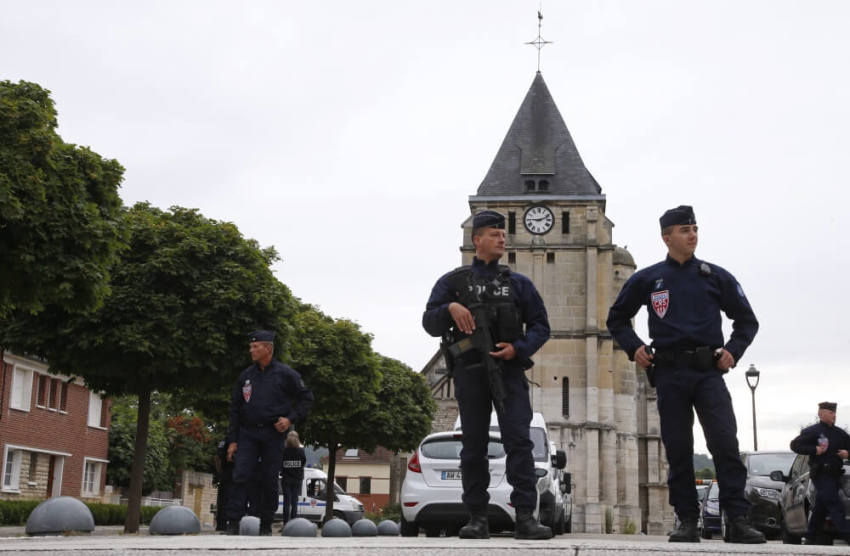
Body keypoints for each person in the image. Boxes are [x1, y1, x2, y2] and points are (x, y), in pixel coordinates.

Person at [606, 205, 765, 544]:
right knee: (677, 448)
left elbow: (747, 321)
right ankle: (687, 520)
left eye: (694, 228)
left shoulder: (715, 276)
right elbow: (616, 319)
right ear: (667, 237)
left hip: (709, 373)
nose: (692, 234)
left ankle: (736, 519)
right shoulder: (648, 279)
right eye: (684, 229)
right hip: (669, 373)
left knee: (724, 444)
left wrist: (733, 352)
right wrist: (633, 346)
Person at [423, 209, 552, 540]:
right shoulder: (453, 283)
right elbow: (429, 322)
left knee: (519, 442)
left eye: (503, 233)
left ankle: (525, 516)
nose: (501, 238)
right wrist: (450, 309)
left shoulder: (518, 284)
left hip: (508, 371)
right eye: (494, 233)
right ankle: (477, 517)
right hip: (470, 373)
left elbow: (541, 326)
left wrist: (518, 349)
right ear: (476, 239)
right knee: (474, 446)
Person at [224, 330, 314, 535]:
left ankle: (265, 523)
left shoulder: (286, 374)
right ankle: (233, 522)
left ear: (268, 348)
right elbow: (235, 409)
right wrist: (233, 441)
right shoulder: (246, 376)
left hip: (273, 433)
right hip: (247, 433)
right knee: (241, 474)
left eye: (255, 347)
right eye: (250, 347)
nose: (251, 350)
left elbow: (306, 398)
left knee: (269, 477)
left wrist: (289, 419)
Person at [790, 401, 850, 544]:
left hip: (835, 475)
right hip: (821, 474)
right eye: (830, 413)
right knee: (834, 503)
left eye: (835, 413)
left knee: (821, 507)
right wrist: (814, 450)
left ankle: (810, 537)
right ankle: (847, 533)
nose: (833, 415)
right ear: (821, 414)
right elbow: (795, 445)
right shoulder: (812, 431)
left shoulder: (840, 434)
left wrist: (848, 454)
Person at [280, 431, 306, 524]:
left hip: (286, 479)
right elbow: (303, 462)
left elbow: (280, 464)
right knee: (294, 502)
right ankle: (293, 523)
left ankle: (285, 523)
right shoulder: (301, 451)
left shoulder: (284, 450)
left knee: (286, 502)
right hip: (297, 479)